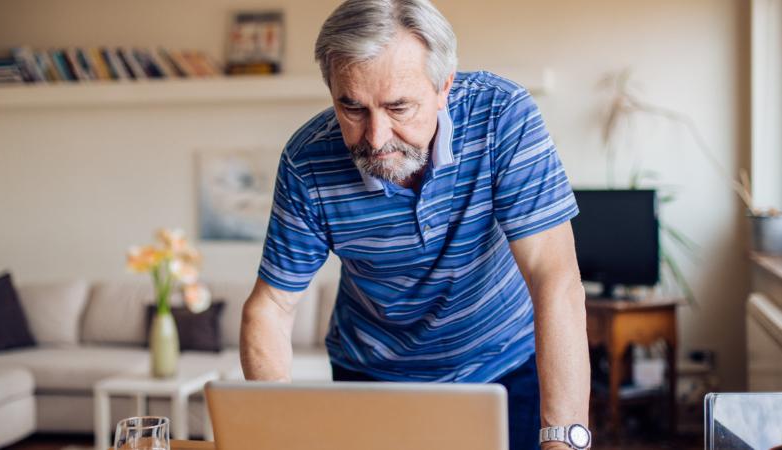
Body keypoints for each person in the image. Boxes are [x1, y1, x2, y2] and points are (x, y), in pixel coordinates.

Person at [240, 1, 590, 448]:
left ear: (444, 87)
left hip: (504, 364)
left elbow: (553, 278)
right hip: (372, 376)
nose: (376, 138)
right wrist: (273, 433)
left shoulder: (502, 116)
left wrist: (564, 438)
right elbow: (270, 308)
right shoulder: (307, 162)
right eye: (352, 108)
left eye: (398, 107)